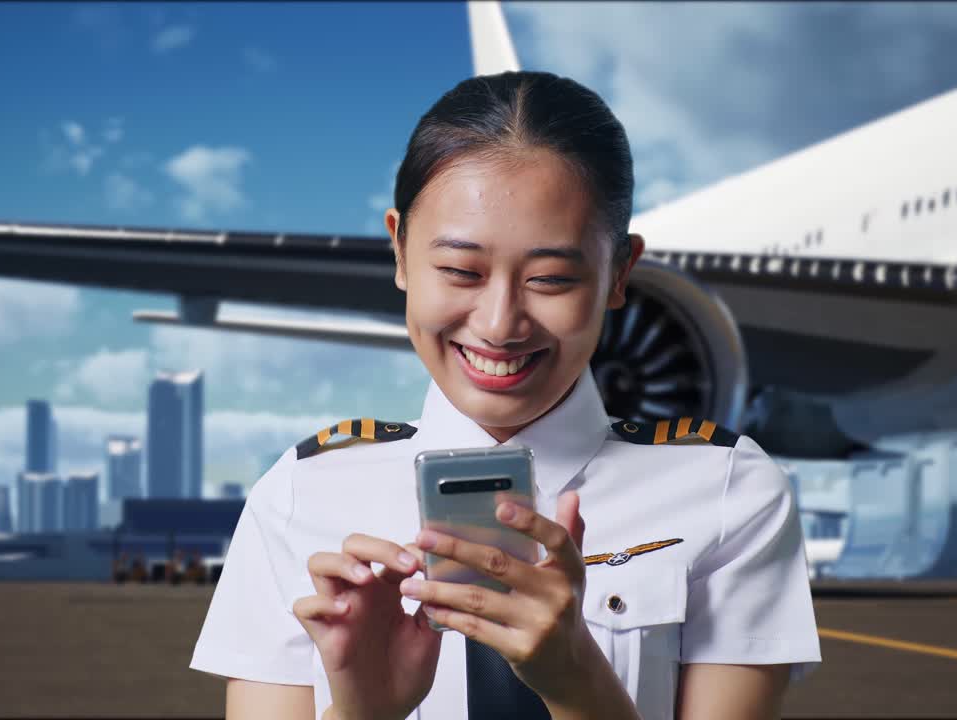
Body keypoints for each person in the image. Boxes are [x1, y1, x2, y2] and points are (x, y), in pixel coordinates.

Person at [189, 70, 820, 720]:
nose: (499, 323)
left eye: (550, 279)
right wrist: (360, 712)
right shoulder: (301, 494)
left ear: (620, 273)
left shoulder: (728, 492)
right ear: (400, 251)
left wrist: (577, 684)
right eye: (461, 271)